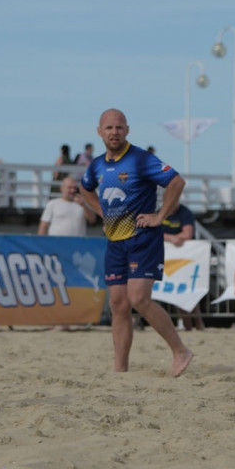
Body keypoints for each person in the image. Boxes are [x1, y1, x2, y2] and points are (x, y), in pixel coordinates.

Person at [79, 109, 194, 377]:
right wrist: (102, 213)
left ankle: (180, 350)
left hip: (143, 237)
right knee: (118, 304)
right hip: (115, 240)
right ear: (99, 132)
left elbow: (176, 182)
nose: (114, 132)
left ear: (127, 130)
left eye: (119, 127)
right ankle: (120, 370)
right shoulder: (96, 164)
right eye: (108, 128)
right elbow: (85, 188)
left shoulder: (140, 159)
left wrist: (160, 216)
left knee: (139, 298)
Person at [161, 203, 206, 331]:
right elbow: (154, 232)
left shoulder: (184, 212)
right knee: (177, 294)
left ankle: (197, 323)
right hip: (169, 257)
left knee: (187, 293)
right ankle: (190, 325)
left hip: (184, 258)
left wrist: (171, 238)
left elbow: (188, 234)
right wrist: (172, 238)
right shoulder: (161, 211)